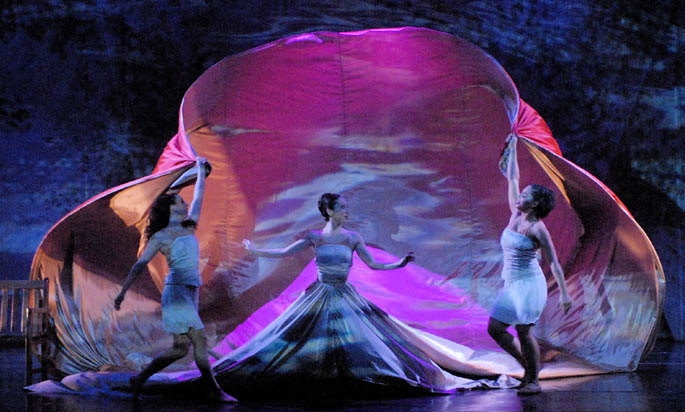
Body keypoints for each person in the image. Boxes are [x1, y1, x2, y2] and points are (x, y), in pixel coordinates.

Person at [212, 193, 462, 399]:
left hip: (343, 294)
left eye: (346, 208)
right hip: (320, 293)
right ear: (330, 211)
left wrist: (399, 264)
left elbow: (373, 264)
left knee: (357, 337)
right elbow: (284, 252)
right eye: (342, 208)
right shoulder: (315, 237)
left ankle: (353, 380)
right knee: (307, 336)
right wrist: (255, 250)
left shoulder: (353, 238)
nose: (347, 212)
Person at [114, 157, 236, 403]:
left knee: (180, 348)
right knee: (199, 340)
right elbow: (140, 264)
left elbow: (199, 194)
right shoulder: (161, 236)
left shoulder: (189, 226)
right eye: (180, 201)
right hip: (177, 294)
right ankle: (214, 391)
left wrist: (201, 172)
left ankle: (140, 379)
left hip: (191, 292)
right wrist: (123, 291)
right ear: (171, 208)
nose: (186, 201)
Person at [487, 135, 572, 395]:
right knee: (495, 328)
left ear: (534, 204)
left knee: (524, 332)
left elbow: (554, 262)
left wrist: (566, 295)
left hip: (529, 285)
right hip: (512, 283)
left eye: (524, 196)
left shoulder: (537, 228)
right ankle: (529, 368)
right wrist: (512, 149)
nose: (518, 196)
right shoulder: (516, 214)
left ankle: (533, 381)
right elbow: (513, 178)